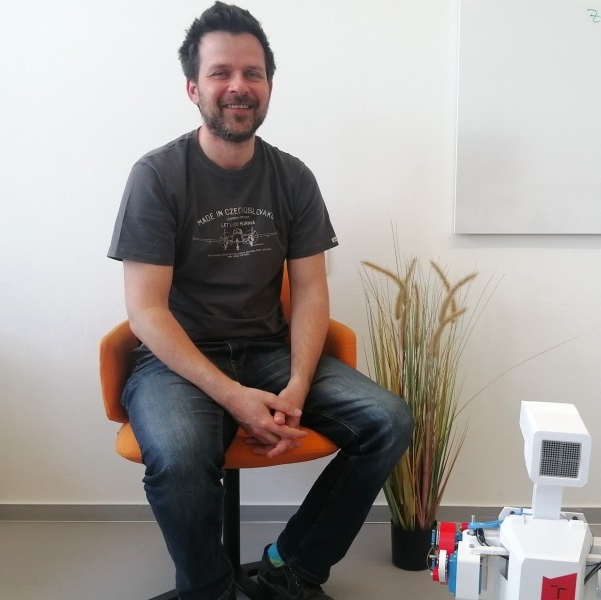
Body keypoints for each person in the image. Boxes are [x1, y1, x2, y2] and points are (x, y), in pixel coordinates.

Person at [107, 3, 414, 599]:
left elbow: (311, 291)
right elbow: (147, 311)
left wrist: (296, 387)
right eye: (220, 73)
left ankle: (289, 568)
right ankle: (211, 589)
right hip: (177, 361)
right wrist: (234, 397)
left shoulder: (293, 178)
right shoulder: (157, 176)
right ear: (193, 88)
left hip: (268, 351)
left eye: (253, 73)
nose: (238, 86)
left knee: (388, 421)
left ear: (269, 86)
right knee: (179, 455)